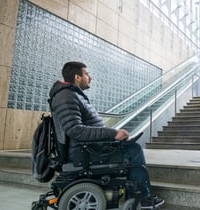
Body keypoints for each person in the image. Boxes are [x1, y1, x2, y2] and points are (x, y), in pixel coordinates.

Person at [49, 61, 164, 209]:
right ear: (77, 77)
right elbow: (76, 130)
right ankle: (143, 199)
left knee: (130, 146)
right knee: (134, 150)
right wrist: (113, 134)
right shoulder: (67, 96)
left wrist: (112, 137)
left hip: (89, 148)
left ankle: (137, 196)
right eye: (86, 74)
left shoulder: (72, 95)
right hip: (84, 153)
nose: (90, 77)